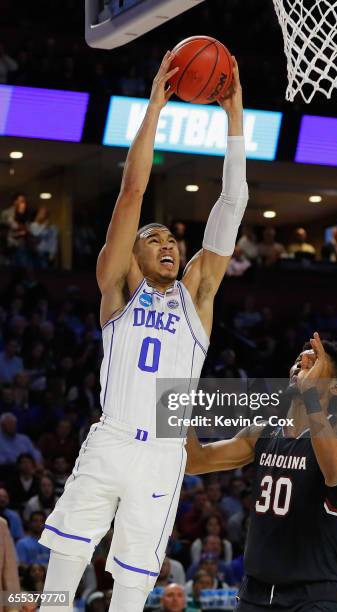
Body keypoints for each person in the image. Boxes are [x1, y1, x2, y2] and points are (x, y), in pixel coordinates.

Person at [39, 52, 248, 612]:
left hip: (162, 453)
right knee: (59, 588)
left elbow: (233, 204)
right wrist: (155, 105)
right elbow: (132, 193)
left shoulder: (198, 293)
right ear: (130, 256)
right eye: (153, 239)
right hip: (111, 439)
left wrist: (235, 118)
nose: (167, 244)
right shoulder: (118, 291)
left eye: (172, 241)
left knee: (132, 592)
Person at [186, 332, 337, 610]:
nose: (301, 367)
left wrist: (312, 398)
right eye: (298, 363)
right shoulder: (262, 433)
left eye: (313, 364)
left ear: (335, 387)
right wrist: (180, 399)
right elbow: (196, 461)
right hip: (255, 592)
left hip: (315, 593)